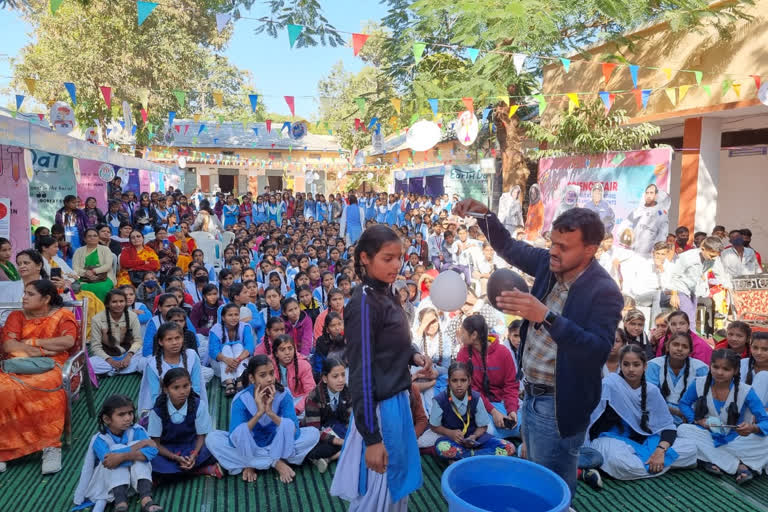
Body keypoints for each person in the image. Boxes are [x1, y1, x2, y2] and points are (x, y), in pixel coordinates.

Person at [452, 200, 623, 497]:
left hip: (560, 403)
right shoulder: (548, 263)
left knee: (547, 482)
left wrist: (545, 316)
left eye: (564, 247)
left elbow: (597, 350)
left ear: (590, 250)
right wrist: (482, 214)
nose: (554, 251)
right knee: (537, 472)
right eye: (553, 243)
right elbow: (508, 246)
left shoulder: (604, 291)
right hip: (530, 392)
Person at [330, 225, 430, 511]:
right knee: (381, 489)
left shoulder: (388, 292)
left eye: (399, 257)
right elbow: (360, 372)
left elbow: (389, 342)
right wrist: (372, 438)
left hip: (397, 402)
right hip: (380, 409)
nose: (397, 265)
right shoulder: (363, 303)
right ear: (365, 258)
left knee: (395, 486)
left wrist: (414, 356)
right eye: (388, 258)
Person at [0, 279, 78, 474]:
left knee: (44, 386)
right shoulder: (16, 316)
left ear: (46, 299)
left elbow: (67, 342)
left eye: (30, 294)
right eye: (24, 293)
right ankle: (4, 449)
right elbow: (9, 346)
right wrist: (41, 351)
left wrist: (32, 342)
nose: (24, 297)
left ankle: (50, 446)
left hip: (53, 366)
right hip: (15, 365)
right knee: (4, 389)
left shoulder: (63, 315)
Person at [585, 345, 697, 480]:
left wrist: (660, 451)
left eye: (636, 364)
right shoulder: (609, 385)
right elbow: (589, 420)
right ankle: (657, 465)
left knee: (690, 449)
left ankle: (651, 463)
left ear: (645, 367)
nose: (630, 369)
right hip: (610, 439)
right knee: (619, 462)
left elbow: (667, 427)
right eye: (626, 364)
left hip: (646, 440)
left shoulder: (652, 391)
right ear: (620, 366)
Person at [205, 355, 320, 483]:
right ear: (252, 378)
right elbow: (234, 438)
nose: (270, 379)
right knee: (212, 439)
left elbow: (295, 432)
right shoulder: (241, 399)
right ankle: (276, 462)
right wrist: (259, 413)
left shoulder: (284, 394)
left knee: (313, 434)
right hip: (251, 446)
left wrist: (270, 413)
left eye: (271, 373)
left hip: (277, 443)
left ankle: (252, 463)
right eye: (263, 375)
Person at [677, 349, 768, 483]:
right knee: (683, 430)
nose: (719, 372)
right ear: (710, 366)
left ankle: (709, 460)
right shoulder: (699, 383)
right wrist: (698, 421)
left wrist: (752, 428)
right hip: (707, 435)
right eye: (716, 367)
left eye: (726, 369)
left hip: (736, 440)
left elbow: (764, 421)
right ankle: (740, 466)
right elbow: (684, 404)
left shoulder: (746, 391)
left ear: (735, 371)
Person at [72, 395, 162, 512]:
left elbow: (152, 451)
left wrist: (123, 456)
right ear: (107, 419)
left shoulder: (137, 430)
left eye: (130, 413)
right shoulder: (99, 439)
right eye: (121, 415)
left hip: (134, 481)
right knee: (119, 453)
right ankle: (121, 504)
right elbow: (109, 461)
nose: (128, 418)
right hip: (108, 484)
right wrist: (139, 445)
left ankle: (146, 499)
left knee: (138, 459)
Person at [429, 361, 516, 461]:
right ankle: (481, 457)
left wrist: (474, 436)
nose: (459, 385)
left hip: (476, 440)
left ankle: (466, 457)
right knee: (442, 448)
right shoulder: (440, 400)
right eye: (454, 380)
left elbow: (483, 426)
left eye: (463, 380)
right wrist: (449, 433)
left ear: (469, 381)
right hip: (453, 440)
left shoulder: (476, 398)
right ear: (448, 381)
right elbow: (434, 426)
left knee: (509, 447)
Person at [146, 368, 221, 478]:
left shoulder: (199, 405)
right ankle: (198, 470)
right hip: (168, 450)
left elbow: (202, 436)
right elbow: (156, 443)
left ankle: (168, 476)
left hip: (193, 446)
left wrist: (194, 455)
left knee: (215, 443)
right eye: (176, 388)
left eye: (186, 386)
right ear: (166, 389)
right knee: (149, 456)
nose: (182, 391)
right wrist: (175, 457)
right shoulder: (157, 411)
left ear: (191, 385)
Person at [456, 314, 520, 438]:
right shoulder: (463, 354)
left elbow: (511, 385)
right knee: (484, 429)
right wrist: (493, 411)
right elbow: (470, 389)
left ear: (473, 335)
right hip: (478, 404)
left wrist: (512, 410)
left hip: (502, 403)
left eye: (462, 332)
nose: (460, 335)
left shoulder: (503, 353)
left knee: (522, 425)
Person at [138, 322, 208, 415]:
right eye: (169, 339)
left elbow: (196, 387)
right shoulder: (152, 364)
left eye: (177, 338)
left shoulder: (191, 355)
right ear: (160, 342)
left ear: (183, 338)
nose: (174, 343)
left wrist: (185, 407)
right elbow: (155, 395)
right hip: (163, 408)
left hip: (190, 404)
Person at [647, 331, 709, 424]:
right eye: (676, 345)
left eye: (685, 346)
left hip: (690, 419)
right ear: (667, 347)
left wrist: (689, 415)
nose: (680, 349)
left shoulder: (700, 368)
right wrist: (677, 412)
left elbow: (704, 400)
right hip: (658, 417)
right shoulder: (653, 365)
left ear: (690, 351)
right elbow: (650, 398)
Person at [302, 358, 351, 473]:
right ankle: (344, 450)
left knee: (356, 437)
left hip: (337, 428)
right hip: (318, 433)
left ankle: (329, 459)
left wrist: (351, 435)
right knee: (313, 448)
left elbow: (349, 420)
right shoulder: (314, 397)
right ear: (325, 378)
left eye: (343, 375)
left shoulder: (347, 391)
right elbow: (313, 430)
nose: (341, 380)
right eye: (335, 376)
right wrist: (339, 441)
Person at [669, 236, 730, 323]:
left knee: (691, 318)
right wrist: (674, 294)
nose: (712, 259)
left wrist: (733, 293)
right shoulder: (687, 257)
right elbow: (674, 275)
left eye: (715, 256)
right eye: (711, 256)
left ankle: (684, 335)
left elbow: (721, 276)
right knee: (688, 318)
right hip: (680, 288)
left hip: (694, 289)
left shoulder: (713, 259)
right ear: (703, 249)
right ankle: (689, 336)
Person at [89, 289, 143, 376]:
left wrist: (128, 356)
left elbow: (138, 341)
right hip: (107, 356)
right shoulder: (97, 319)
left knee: (145, 357)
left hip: (128, 355)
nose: (118, 305)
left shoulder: (132, 316)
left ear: (125, 303)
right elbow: (95, 347)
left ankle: (112, 371)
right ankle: (122, 369)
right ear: (107, 304)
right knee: (90, 364)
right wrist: (111, 361)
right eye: (114, 302)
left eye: (121, 301)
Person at [209, 303, 254, 397]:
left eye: (236, 315)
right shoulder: (215, 329)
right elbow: (213, 351)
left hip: (240, 363)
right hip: (221, 366)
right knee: (225, 348)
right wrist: (227, 360)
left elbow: (250, 347)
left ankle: (239, 379)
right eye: (230, 315)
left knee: (238, 346)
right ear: (223, 317)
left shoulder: (244, 327)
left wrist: (236, 361)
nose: (234, 318)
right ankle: (229, 381)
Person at [269, 334, 315, 417]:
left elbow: (311, 392)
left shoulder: (304, 365)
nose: (287, 353)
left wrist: (297, 409)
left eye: (290, 349)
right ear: (276, 353)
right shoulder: (269, 365)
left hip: (297, 401)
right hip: (276, 400)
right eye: (282, 350)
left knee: (310, 408)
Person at [624, 184, 669, 256]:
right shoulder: (638, 211)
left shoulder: (662, 214)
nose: (648, 195)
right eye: (647, 193)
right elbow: (626, 227)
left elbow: (662, 237)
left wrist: (653, 254)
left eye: (651, 193)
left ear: (656, 195)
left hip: (648, 257)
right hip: (631, 254)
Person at [73, 228, 116, 302]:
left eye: (95, 236)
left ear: (98, 238)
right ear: (85, 239)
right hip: (84, 278)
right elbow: (75, 268)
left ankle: (102, 311)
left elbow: (108, 265)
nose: (92, 238)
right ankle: (86, 311)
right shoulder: (78, 251)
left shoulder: (105, 249)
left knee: (102, 288)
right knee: (80, 288)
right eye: (89, 236)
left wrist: (94, 271)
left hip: (104, 278)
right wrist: (85, 273)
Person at [311, 311, 345, 380]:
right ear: (327, 329)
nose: (337, 328)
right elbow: (318, 366)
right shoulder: (321, 342)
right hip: (326, 375)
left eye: (339, 324)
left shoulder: (346, 340)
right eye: (333, 325)